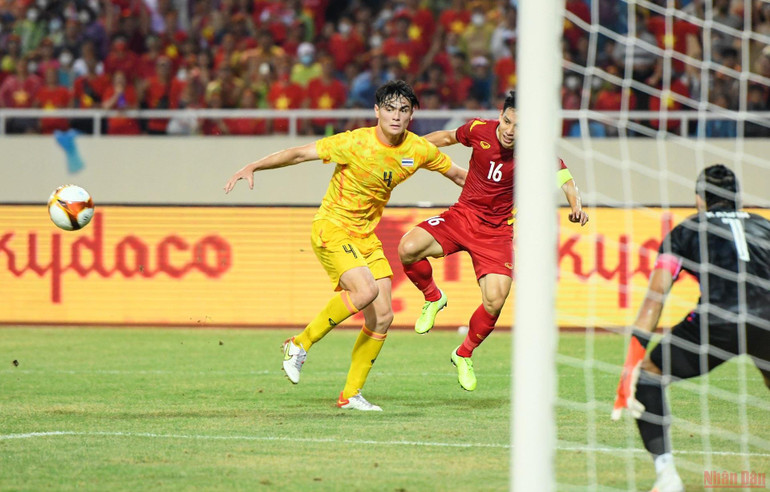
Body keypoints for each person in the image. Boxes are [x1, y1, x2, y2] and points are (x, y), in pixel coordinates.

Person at [223, 80, 467, 411]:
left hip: (365, 236)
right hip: (332, 227)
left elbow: (457, 175)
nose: (396, 116)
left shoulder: (418, 150)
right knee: (365, 292)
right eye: (390, 109)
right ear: (377, 111)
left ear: (412, 115)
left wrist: (505, 194)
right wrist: (253, 166)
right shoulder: (354, 143)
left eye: (404, 110)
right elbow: (299, 154)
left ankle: (350, 395)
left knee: (382, 317)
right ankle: (299, 344)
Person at [398, 91, 589, 391]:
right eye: (508, 121)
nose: (511, 130)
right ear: (501, 115)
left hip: (497, 230)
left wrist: (576, 203)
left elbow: (563, 176)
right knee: (408, 248)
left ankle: (463, 354)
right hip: (462, 216)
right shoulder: (478, 129)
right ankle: (434, 297)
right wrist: (408, 147)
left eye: (520, 126)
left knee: (495, 299)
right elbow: (447, 137)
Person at [612, 164, 770, 492]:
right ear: (737, 198)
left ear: (699, 198)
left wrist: (630, 366)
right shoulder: (763, 225)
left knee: (650, 376)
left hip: (718, 321)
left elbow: (654, 301)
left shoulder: (686, 230)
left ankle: (667, 477)